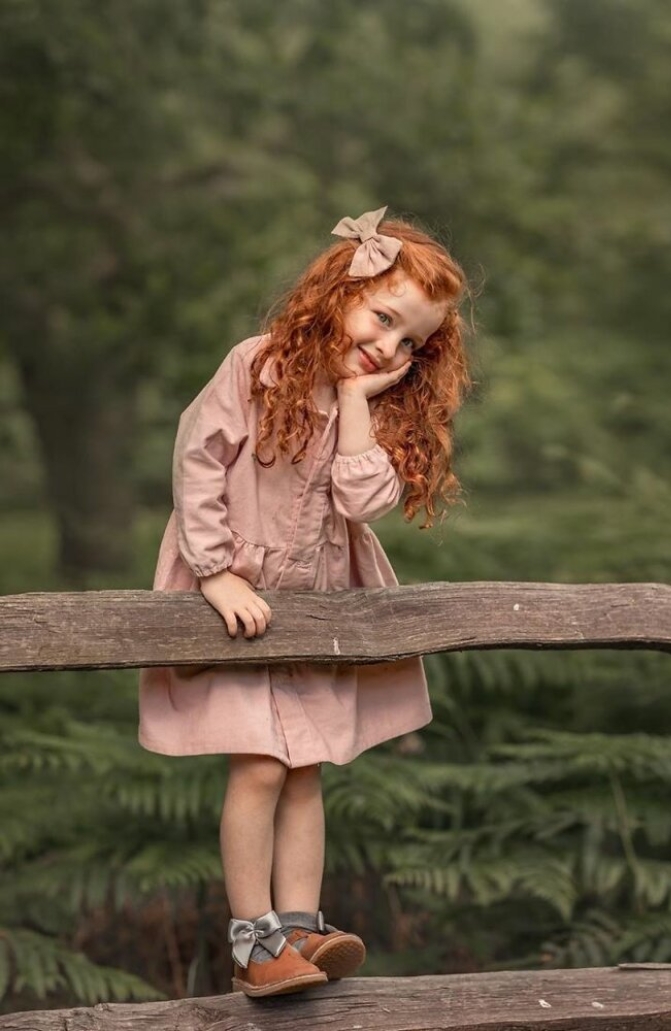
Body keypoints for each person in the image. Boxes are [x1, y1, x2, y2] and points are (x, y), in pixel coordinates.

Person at [138, 207, 471, 998]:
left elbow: (362, 502)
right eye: (383, 318)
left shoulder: (386, 407)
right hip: (235, 603)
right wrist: (214, 571)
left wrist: (358, 401)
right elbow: (198, 457)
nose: (390, 346)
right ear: (340, 291)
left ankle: (299, 927)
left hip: (321, 612)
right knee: (258, 766)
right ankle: (252, 940)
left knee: (306, 769)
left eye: (410, 341)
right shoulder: (258, 366)